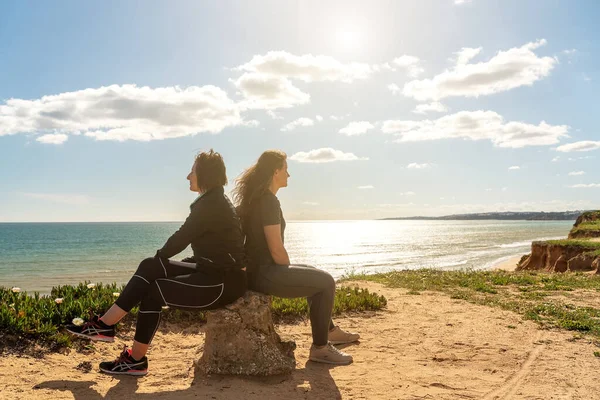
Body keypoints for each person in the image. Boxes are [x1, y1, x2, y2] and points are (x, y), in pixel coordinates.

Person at [66, 149, 247, 376]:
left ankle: (132, 357)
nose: (188, 176)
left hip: (222, 283)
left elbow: (182, 237)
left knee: (154, 289)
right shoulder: (213, 200)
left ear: (205, 174)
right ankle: (105, 327)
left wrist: (161, 261)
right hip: (211, 272)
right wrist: (158, 265)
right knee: (150, 265)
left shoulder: (211, 204)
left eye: (192, 171)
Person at [232, 150, 359, 365]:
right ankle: (320, 348)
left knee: (312, 272)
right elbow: (276, 249)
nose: (288, 175)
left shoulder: (257, 199)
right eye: (286, 170)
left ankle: (330, 332)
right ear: (276, 171)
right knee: (326, 282)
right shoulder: (269, 201)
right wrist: (286, 271)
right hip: (265, 273)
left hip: (257, 271)